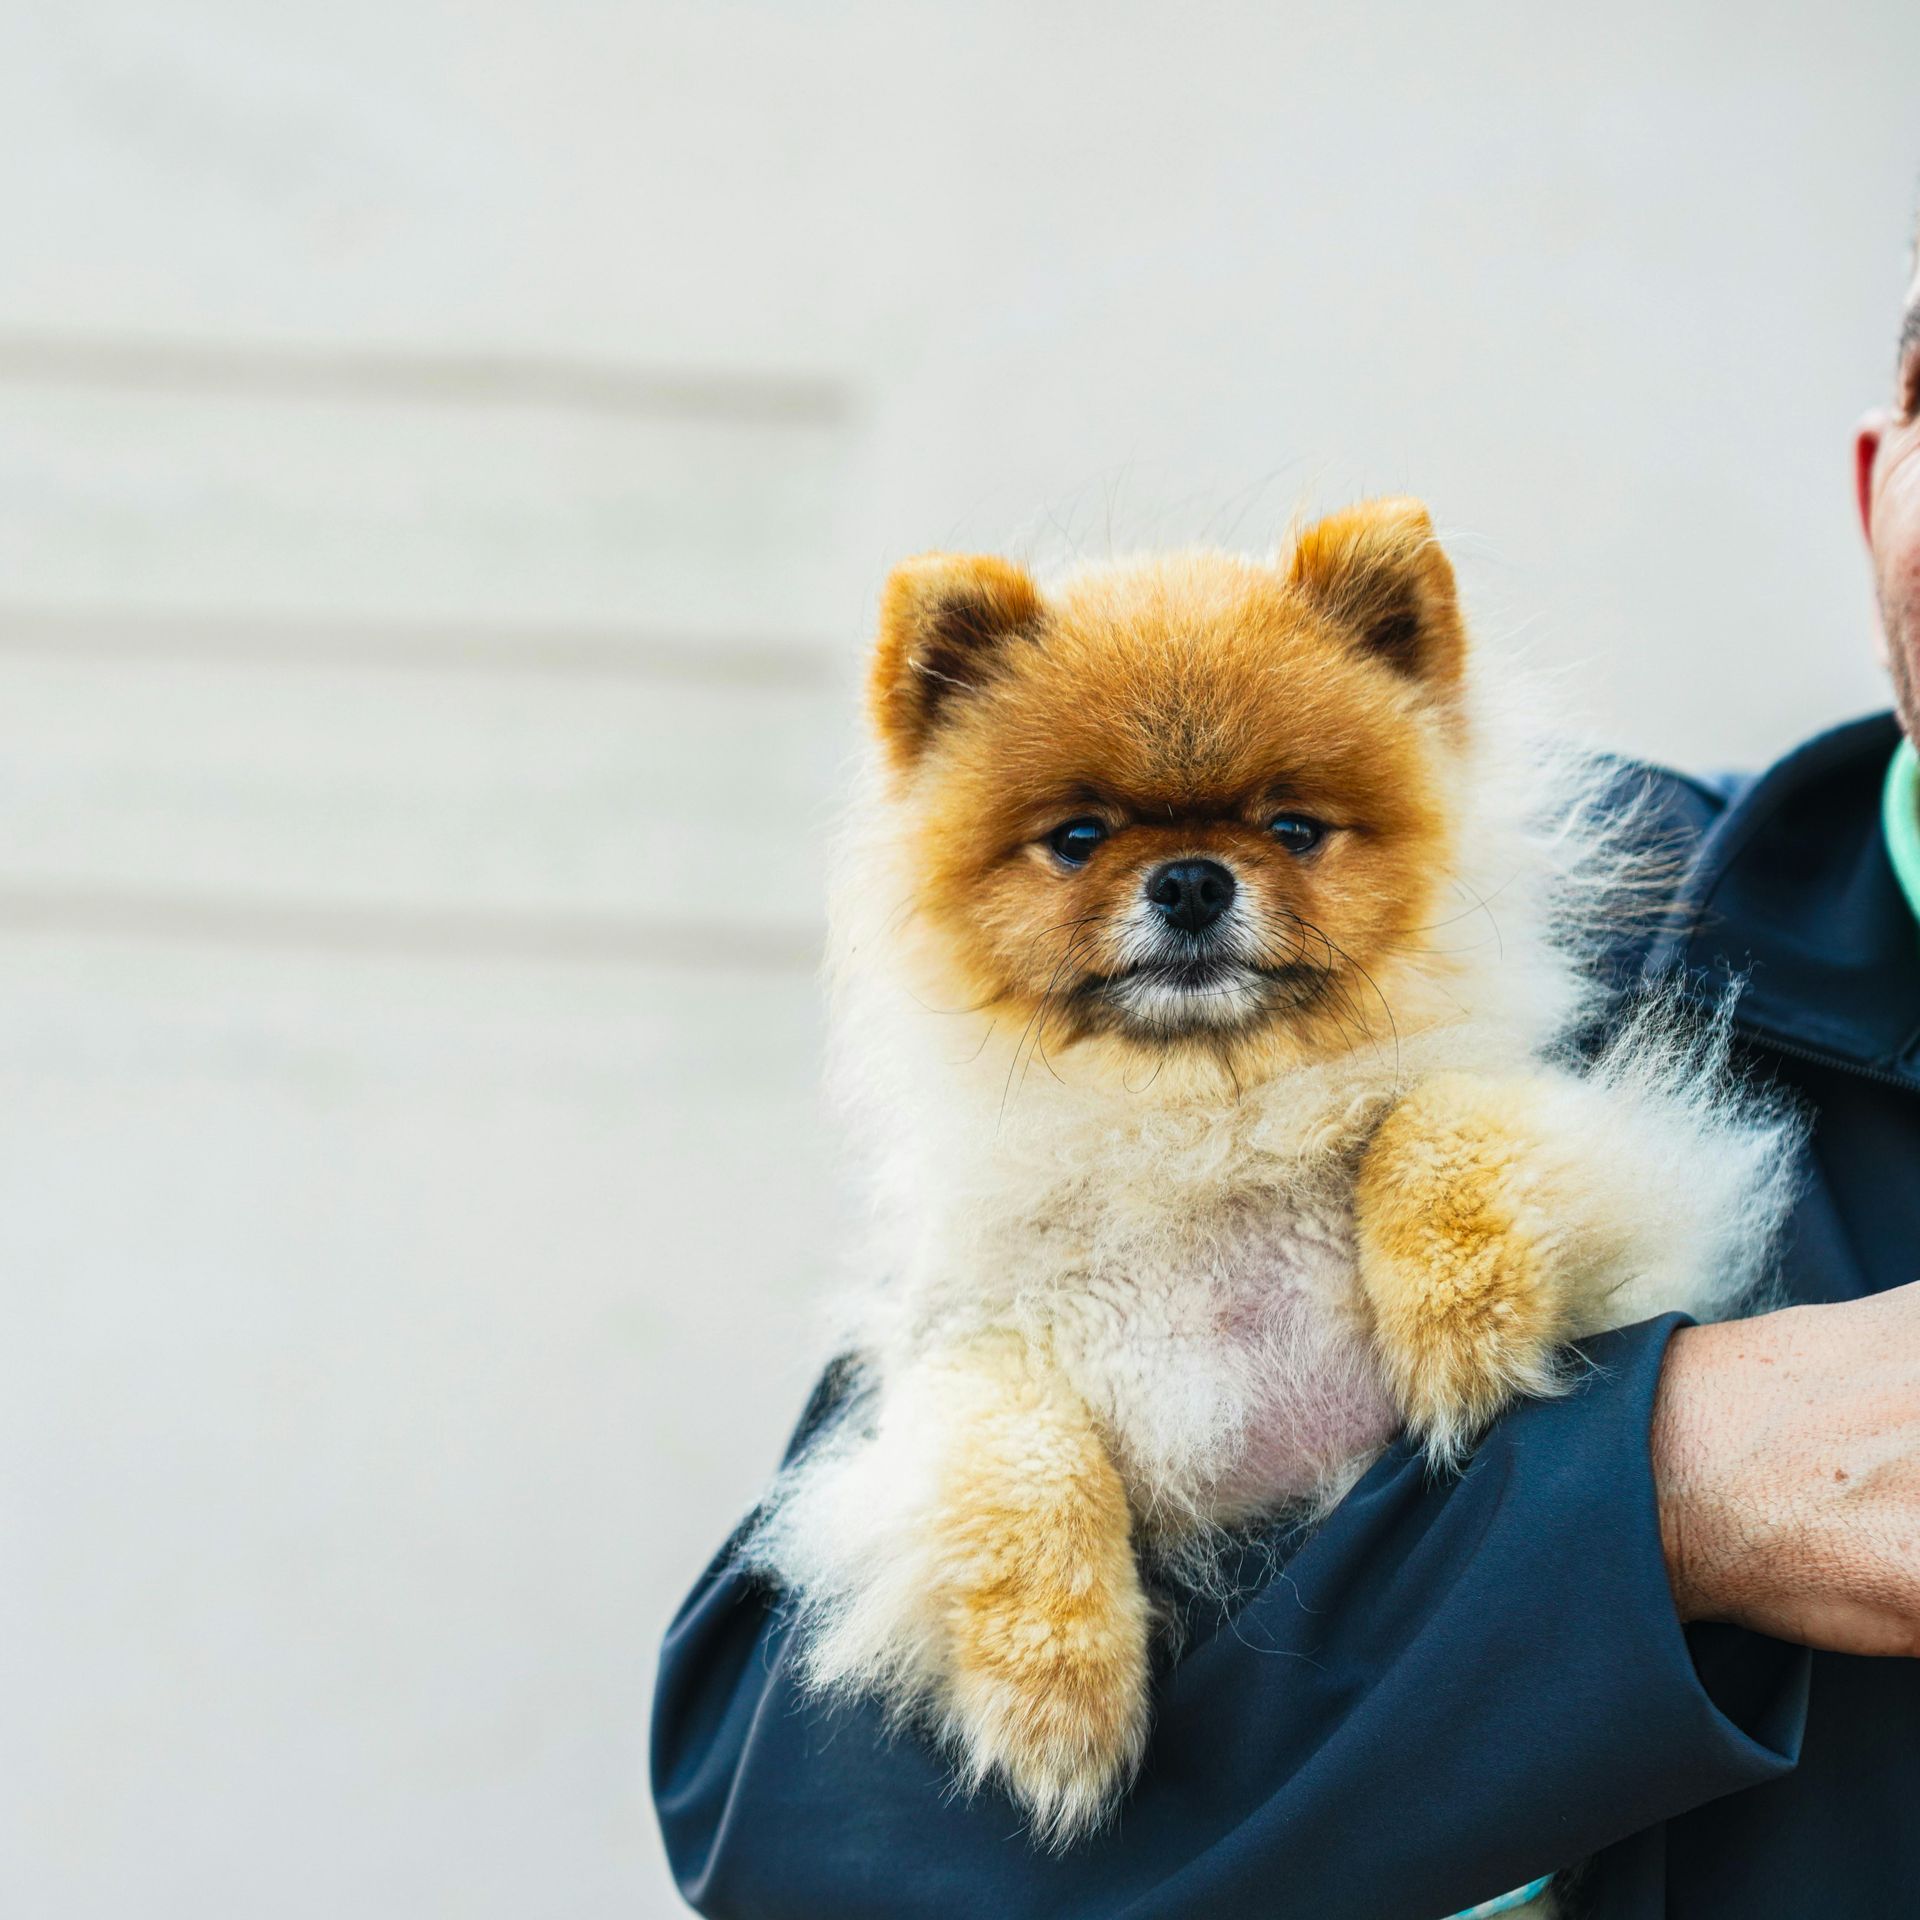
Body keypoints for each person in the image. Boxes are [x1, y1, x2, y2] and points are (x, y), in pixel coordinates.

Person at [648, 222, 1920, 1918]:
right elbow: (797, 1834)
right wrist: (1663, 1492)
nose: (1188, 882)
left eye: (1285, 829)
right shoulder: (1587, 947)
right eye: (1088, 835)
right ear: (1876, 474)